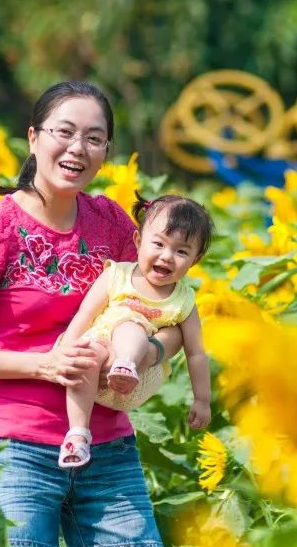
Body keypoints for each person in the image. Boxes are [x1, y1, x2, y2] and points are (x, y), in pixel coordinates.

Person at [0, 81, 182, 547]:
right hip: (18, 444)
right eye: (64, 132)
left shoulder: (112, 223)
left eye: (94, 138)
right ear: (34, 138)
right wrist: (45, 364)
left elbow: (172, 316)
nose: (77, 149)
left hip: (107, 443)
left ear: (106, 151)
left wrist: (149, 352)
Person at [57, 194, 214, 468]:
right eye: (159, 244)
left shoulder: (184, 299)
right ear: (138, 242)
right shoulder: (116, 275)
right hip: (98, 365)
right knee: (87, 353)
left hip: (139, 377)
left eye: (181, 251)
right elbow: (86, 314)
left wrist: (202, 399)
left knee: (131, 326)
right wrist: (65, 349)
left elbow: (196, 352)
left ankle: (126, 363)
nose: (167, 256)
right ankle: (78, 436)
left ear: (195, 259)